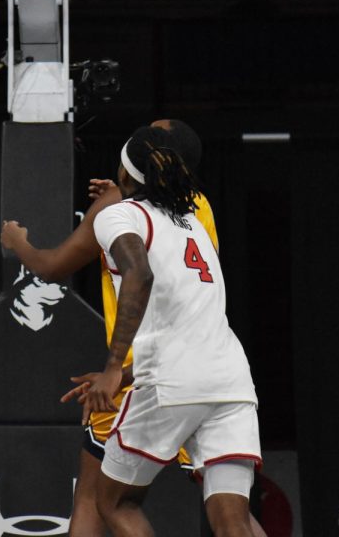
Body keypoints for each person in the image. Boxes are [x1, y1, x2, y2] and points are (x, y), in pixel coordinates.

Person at [1, 120, 231, 536]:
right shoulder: (201, 208)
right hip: (208, 367)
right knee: (232, 514)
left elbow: (53, 267)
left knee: (100, 499)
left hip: (142, 375)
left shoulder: (117, 211)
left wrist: (18, 242)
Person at [77, 125, 261, 537]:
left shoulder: (119, 216)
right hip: (231, 379)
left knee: (113, 500)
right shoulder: (194, 224)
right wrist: (123, 375)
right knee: (233, 520)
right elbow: (184, 327)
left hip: (171, 381)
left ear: (125, 175)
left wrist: (112, 368)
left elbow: (139, 275)